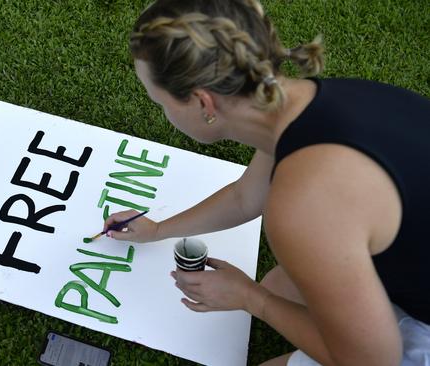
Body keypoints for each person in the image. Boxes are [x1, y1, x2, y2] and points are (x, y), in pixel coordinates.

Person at [103, 0, 430, 365]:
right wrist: (158, 229)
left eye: (159, 102)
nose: (162, 112)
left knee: (276, 295)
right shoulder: (302, 102)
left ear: (202, 103)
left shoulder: (304, 206)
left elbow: (373, 361)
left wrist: (252, 299)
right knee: (282, 285)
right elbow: (245, 197)